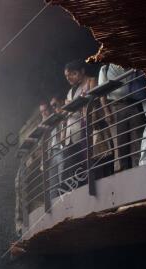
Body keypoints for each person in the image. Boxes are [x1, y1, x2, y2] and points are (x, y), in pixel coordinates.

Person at [98, 63, 143, 172]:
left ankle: (138, 169)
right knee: (120, 143)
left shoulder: (130, 62)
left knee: (137, 139)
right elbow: (101, 93)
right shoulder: (105, 68)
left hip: (134, 104)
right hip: (116, 107)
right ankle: (123, 172)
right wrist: (106, 111)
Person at [60, 60, 94, 192]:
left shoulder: (87, 84)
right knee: (69, 167)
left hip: (81, 130)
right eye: (67, 77)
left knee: (81, 164)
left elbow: (88, 106)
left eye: (71, 75)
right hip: (69, 134)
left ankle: (82, 191)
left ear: (80, 72)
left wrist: (73, 105)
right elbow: (66, 115)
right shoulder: (70, 91)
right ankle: (70, 194)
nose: (69, 79)